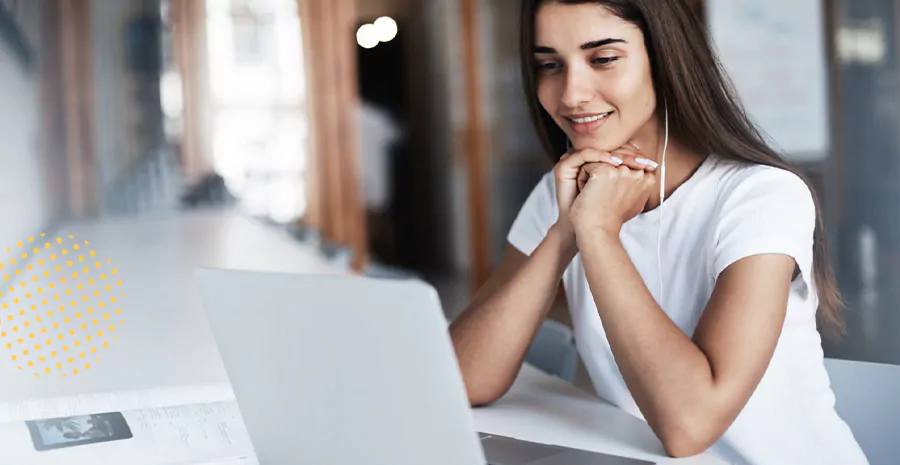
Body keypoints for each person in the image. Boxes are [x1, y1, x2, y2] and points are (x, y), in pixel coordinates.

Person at [448, 1, 869, 464]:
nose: (571, 94)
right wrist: (567, 229)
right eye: (550, 65)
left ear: (665, 57)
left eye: (603, 58)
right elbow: (461, 381)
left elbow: (690, 426)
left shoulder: (762, 195)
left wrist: (600, 233)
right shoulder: (563, 193)